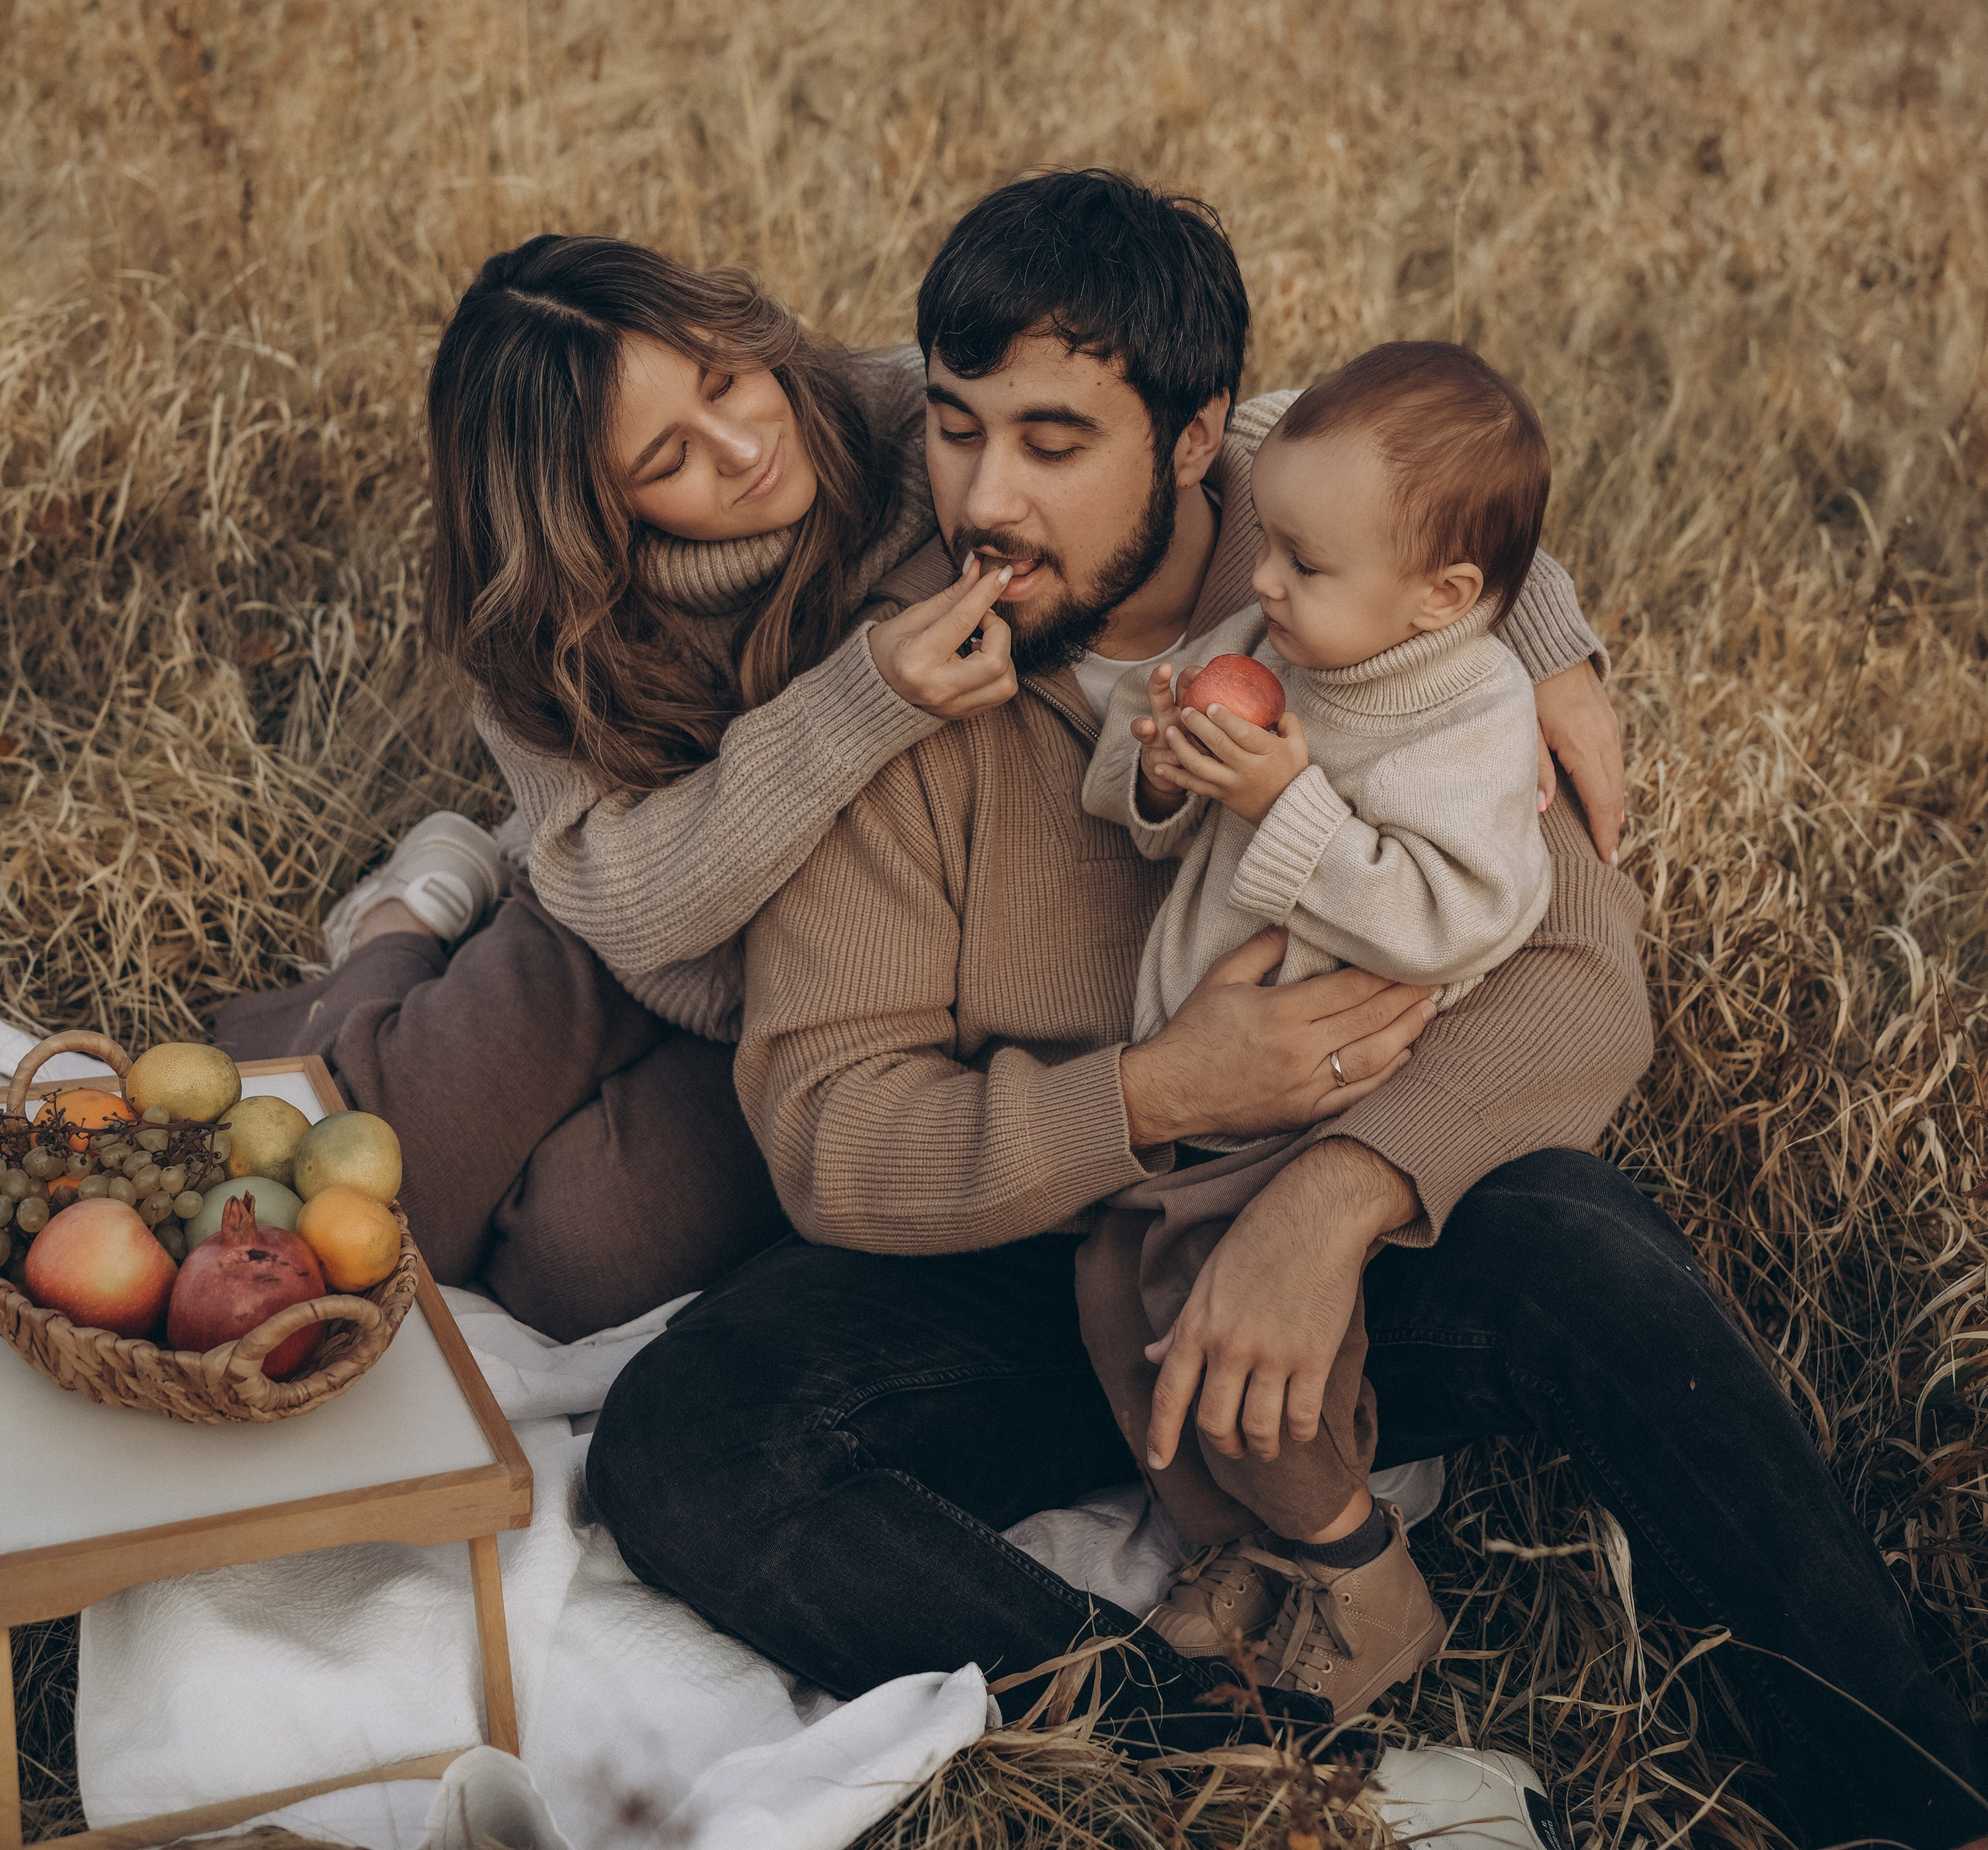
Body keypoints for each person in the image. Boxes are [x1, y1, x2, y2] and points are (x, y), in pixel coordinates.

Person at [585, 172, 1986, 1850]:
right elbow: (832, 1134)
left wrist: (1337, 1200)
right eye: (953, 431)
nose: (982, 496)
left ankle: (1901, 1799)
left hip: (1338, 1240)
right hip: (1049, 1254)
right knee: (685, 1442)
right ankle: (1219, 1753)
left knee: (1589, 1251)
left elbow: (1571, 974)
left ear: (1197, 445)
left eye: (1051, 443)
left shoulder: (1377, 636)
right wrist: (1150, 1092)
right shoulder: (904, 689)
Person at [217, 234, 1022, 1337]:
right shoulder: (543, 623)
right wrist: (861, 694)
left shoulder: (903, 430)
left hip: (802, 988)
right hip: (626, 917)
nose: (745, 445)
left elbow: (1153, 432)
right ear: (584, 511)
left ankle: (462, 926)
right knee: (380, 1188)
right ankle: (412, 908)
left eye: (727, 377)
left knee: (569, 1267)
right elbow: (638, 904)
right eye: (667, 461)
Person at [1072, 341, 1559, 1710]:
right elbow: (1136, 789)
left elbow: (1456, 912)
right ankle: (1248, 1556)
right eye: (1266, 546)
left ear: (1443, 596)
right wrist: (1161, 766)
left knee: (1242, 1368)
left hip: (1315, 1110)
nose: (1262, 582)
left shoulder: (1471, 714)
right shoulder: (1266, 643)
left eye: (1303, 561)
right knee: (1113, 1298)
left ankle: (1364, 1577)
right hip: (1200, 1091)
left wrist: (1285, 805)